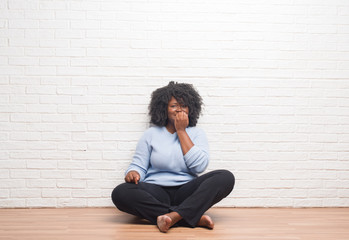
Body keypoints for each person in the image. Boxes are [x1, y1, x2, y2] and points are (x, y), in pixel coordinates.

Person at [111, 81, 235, 233]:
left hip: (187, 191)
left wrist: (181, 131)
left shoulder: (197, 133)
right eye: (174, 105)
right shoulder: (151, 134)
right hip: (156, 192)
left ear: (190, 109)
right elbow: (139, 165)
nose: (179, 109)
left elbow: (199, 166)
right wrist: (133, 173)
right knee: (120, 193)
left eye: (184, 106)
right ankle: (188, 217)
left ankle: (174, 216)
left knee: (225, 177)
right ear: (164, 108)